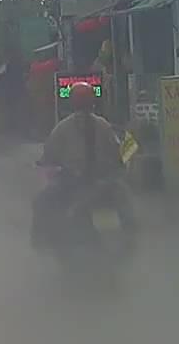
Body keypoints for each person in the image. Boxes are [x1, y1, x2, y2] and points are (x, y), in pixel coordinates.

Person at [31, 81, 136, 248]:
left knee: (42, 201)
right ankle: (130, 239)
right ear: (93, 102)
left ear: (72, 103)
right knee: (125, 203)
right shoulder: (104, 125)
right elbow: (120, 153)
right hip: (100, 182)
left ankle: (41, 242)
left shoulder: (62, 128)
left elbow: (48, 157)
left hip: (78, 183)